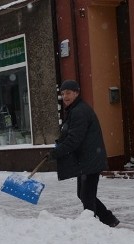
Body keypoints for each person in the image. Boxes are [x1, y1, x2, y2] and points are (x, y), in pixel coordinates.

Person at [46, 80, 119, 227]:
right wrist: (58, 145)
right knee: (84, 194)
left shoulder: (79, 111)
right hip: (86, 160)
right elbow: (70, 134)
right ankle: (108, 219)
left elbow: (74, 139)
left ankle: (91, 225)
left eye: (68, 93)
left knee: (86, 195)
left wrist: (56, 153)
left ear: (76, 93)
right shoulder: (75, 110)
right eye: (62, 93)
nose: (65, 96)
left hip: (90, 160)